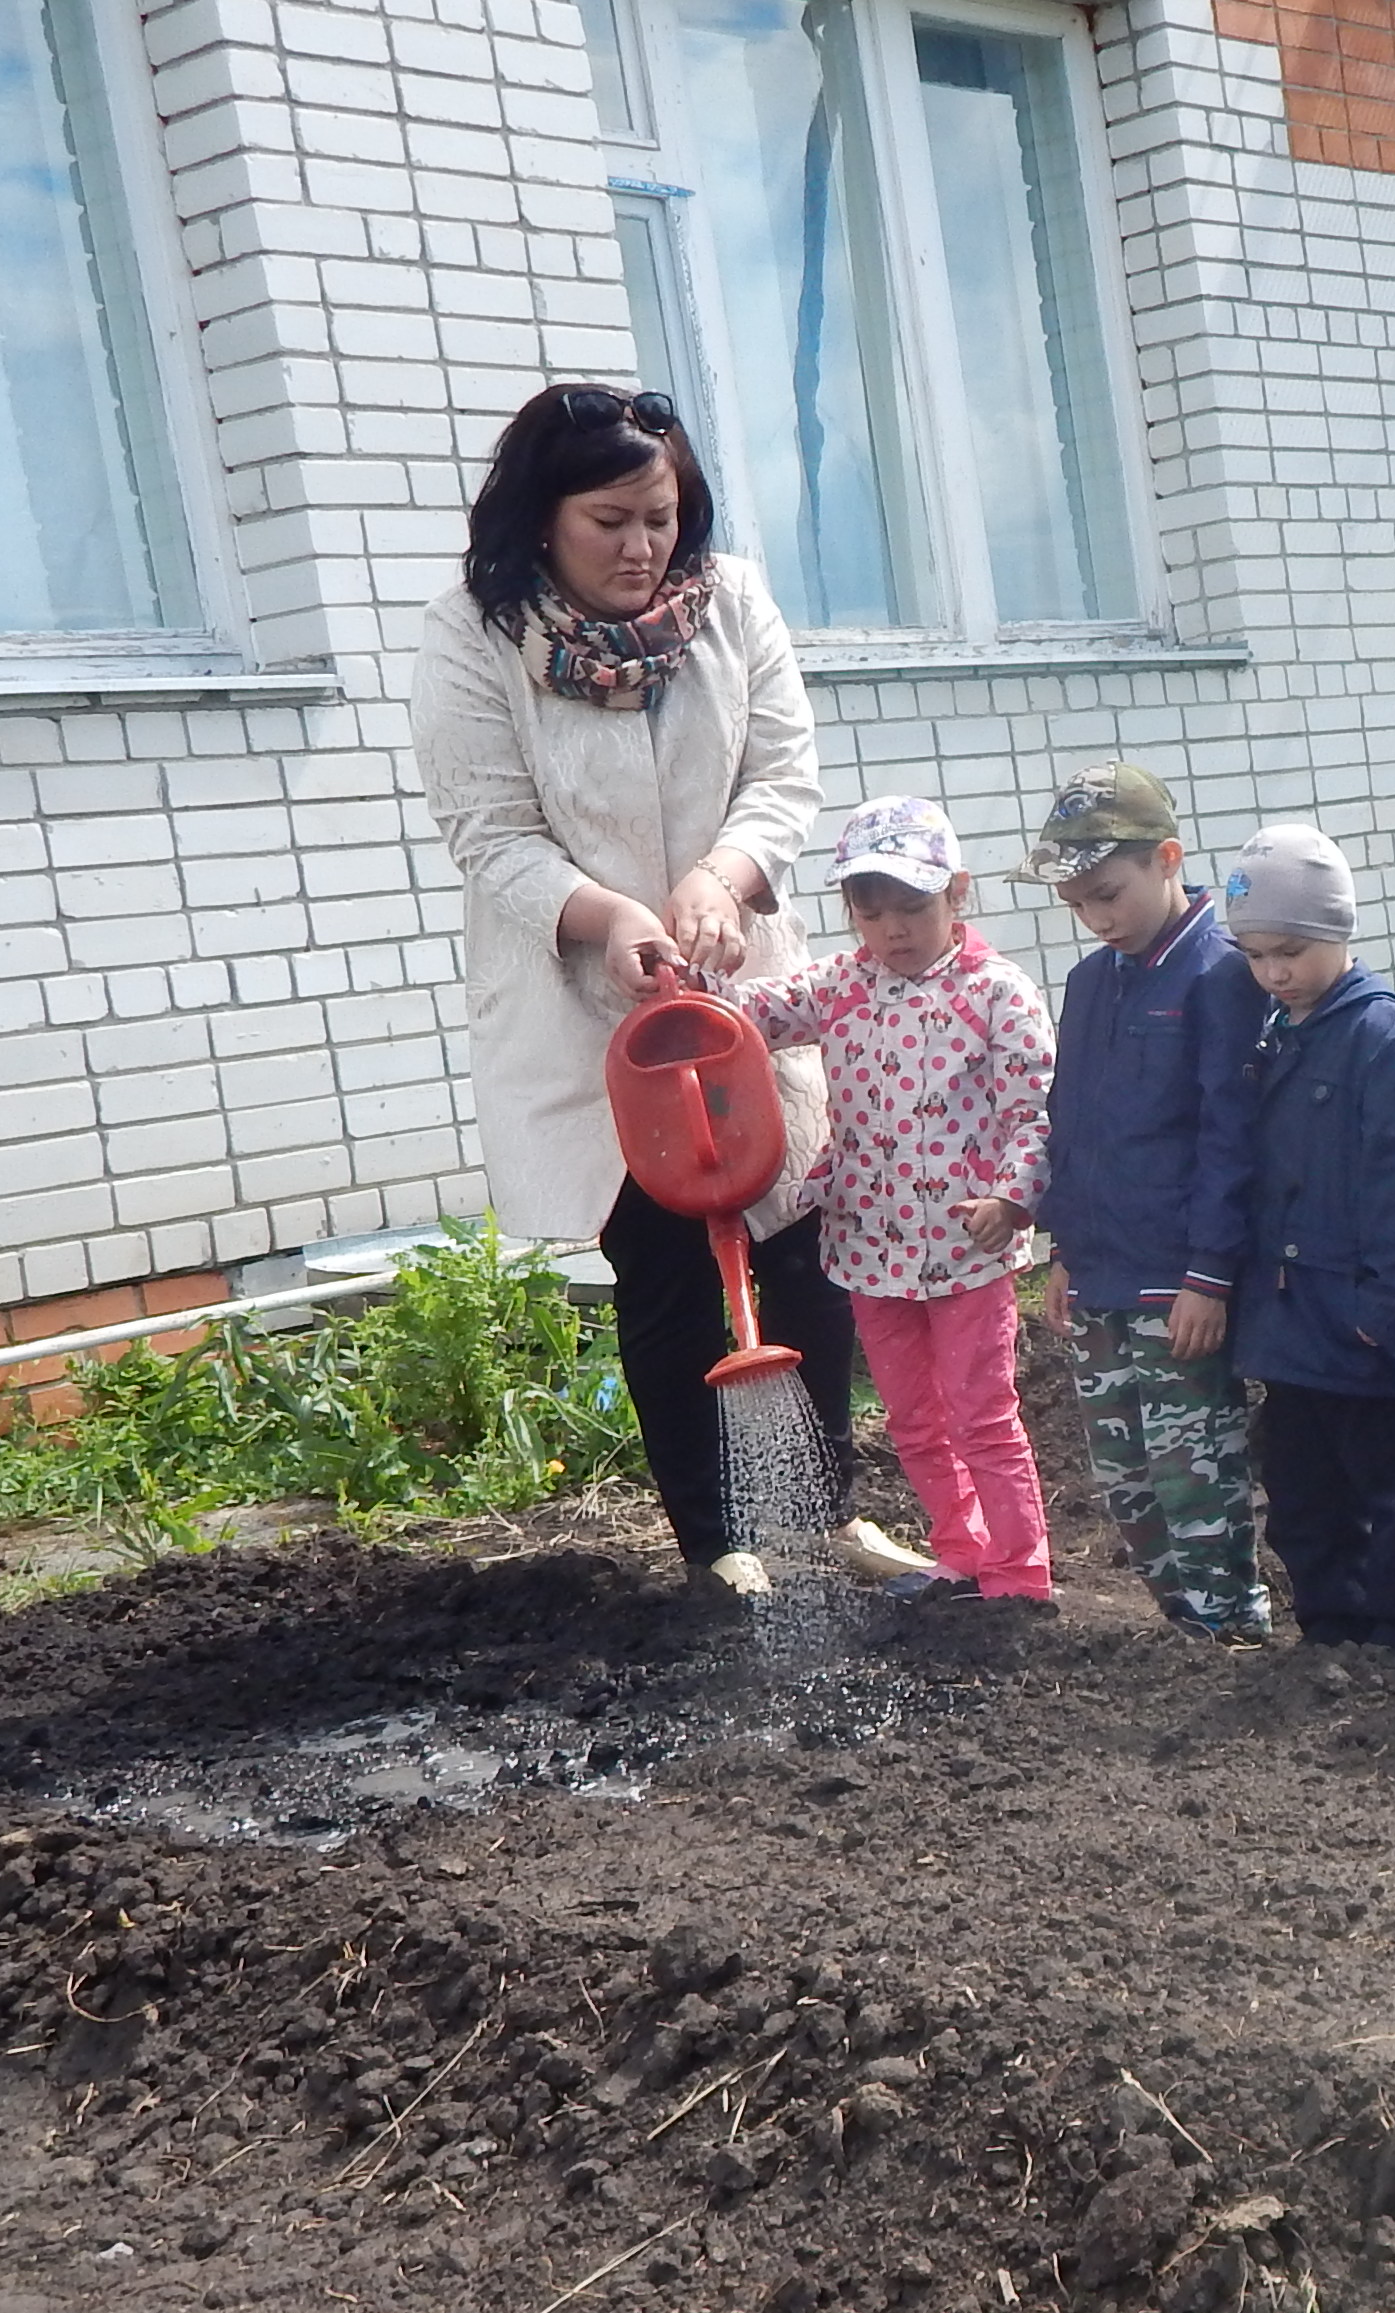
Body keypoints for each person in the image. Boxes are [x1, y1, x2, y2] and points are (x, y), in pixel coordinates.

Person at [412, 381, 915, 1596]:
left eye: (662, 516)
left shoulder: (731, 601)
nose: (642, 548)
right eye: (610, 522)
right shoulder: (475, 634)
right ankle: (718, 1543)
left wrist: (723, 879)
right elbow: (489, 831)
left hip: (743, 981)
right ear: (543, 518)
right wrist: (611, 916)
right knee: (666, 1264)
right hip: (589, 999)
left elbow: (783, 775)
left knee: (800, 1244)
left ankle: (829, 1514)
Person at [717, 798, 1059, 1604]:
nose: (893, 931)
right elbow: (751, 1012)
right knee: (912, 1418)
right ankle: (959, 1552)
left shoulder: (996, 993)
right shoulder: (841, 986)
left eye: (913, 908)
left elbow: (1037, 1115)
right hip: (869, 1242)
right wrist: (683, 980)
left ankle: (1019, 1574)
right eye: (871, 913)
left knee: (981, 1413)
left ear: (957, 893)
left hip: (968, 1247)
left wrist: (1011, 1198)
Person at [1029, 763, 1276, 1643]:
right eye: (1076, 903)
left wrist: (1209, 1274)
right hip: (1100, 1273)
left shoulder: (1220, 975)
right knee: (1126, 1481)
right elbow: (1072, 1122)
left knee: (1193, 1473)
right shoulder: (1091, 982)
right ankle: (1182, 1633)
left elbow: (1230, 1138)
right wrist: (1064, 1250)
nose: (1096, 918)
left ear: (1167, 859)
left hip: (1176, 1282)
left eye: (1107, 894)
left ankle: (1231, 1630)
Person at [1222, 826, 1395, 1671]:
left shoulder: (1380, 1035)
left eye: (1290, 952)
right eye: (1256, 956)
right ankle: (1331, 1634)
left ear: (1337, 931)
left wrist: (1389, 1308)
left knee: (1393, 1492)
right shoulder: (1277, 1031)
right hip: (1291, 1322)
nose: (1273, 972)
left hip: (1361, 1322)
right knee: (1300, 1490)